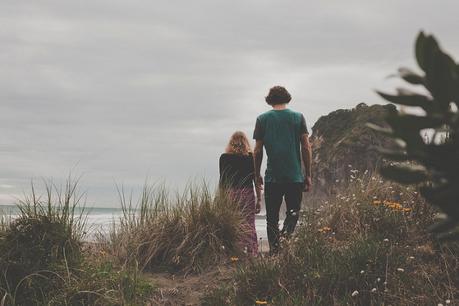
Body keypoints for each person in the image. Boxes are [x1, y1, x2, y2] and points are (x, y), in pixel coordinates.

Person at [253, 86, 312, 254]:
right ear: (287, 98)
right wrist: (308, 174)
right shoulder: (298, 117)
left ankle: (275, 251)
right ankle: (286, 237)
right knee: (293, 212)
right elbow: (306, 147)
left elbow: (257, 151)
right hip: (294, 176)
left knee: (271, 217)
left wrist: (256, 174)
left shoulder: (262, 119)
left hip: (273, 177)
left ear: (270, 100)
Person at [219, 131, 261, 256]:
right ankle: (251, 253)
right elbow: (256, 180)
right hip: (247, 193)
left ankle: (235, 253)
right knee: (249, 223)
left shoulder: (224, 157)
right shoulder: (251, 158)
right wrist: (259, 199)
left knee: (233, 224)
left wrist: (221, 199)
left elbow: (223, 180)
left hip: (230, 194)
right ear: (245, 143)